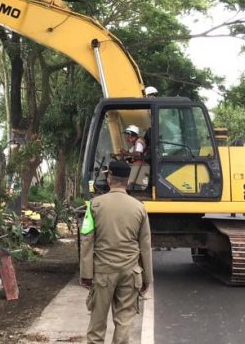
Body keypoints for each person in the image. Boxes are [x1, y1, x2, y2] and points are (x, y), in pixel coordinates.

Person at [80, 161, 153, 344]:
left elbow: (87, 240)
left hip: (102, 273)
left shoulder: (94, 205)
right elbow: (145, 245)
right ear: (127, 181)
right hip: (130, 273)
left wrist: (86, 274)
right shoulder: (139, 208)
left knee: (97, 325)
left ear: (109, 178)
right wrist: (147, 278)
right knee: (124, 322)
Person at [122, 125, 149, 190]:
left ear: (132, 135)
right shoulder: (135, 144)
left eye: (128, 135)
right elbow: (129, 152)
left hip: (140, 164)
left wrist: (126, 153)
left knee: (129, 179)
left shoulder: (139, 143)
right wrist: (123, 153)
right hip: (137, 164)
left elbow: (138, 154)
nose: (127, 138)